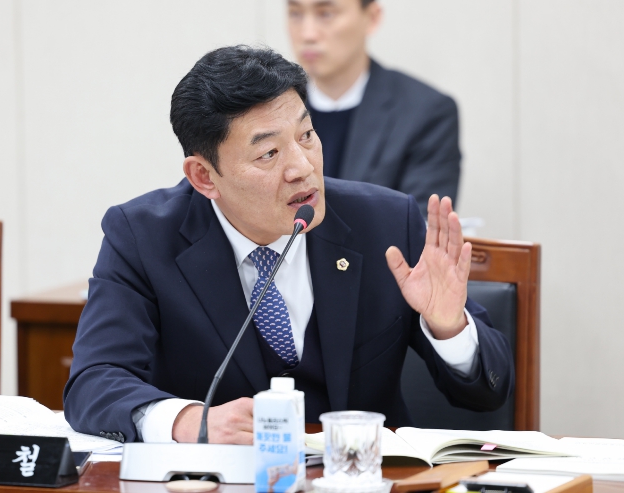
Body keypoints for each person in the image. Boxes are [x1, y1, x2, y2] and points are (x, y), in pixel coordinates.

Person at [63, 46, 512, 445]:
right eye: (268, 154)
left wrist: (449, 328)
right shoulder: (143, 237)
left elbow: (488, 393)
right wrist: (188, 421)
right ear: (204, 176)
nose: (302, 167)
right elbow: (94, 381)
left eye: (306, 136)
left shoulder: (387, 223)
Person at [287, 0, 461, 217]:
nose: (307, 34)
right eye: (295, 13)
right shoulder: (271, 110)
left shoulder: (426, 112)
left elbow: (419, 223)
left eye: (326, 14)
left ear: (371, 17)